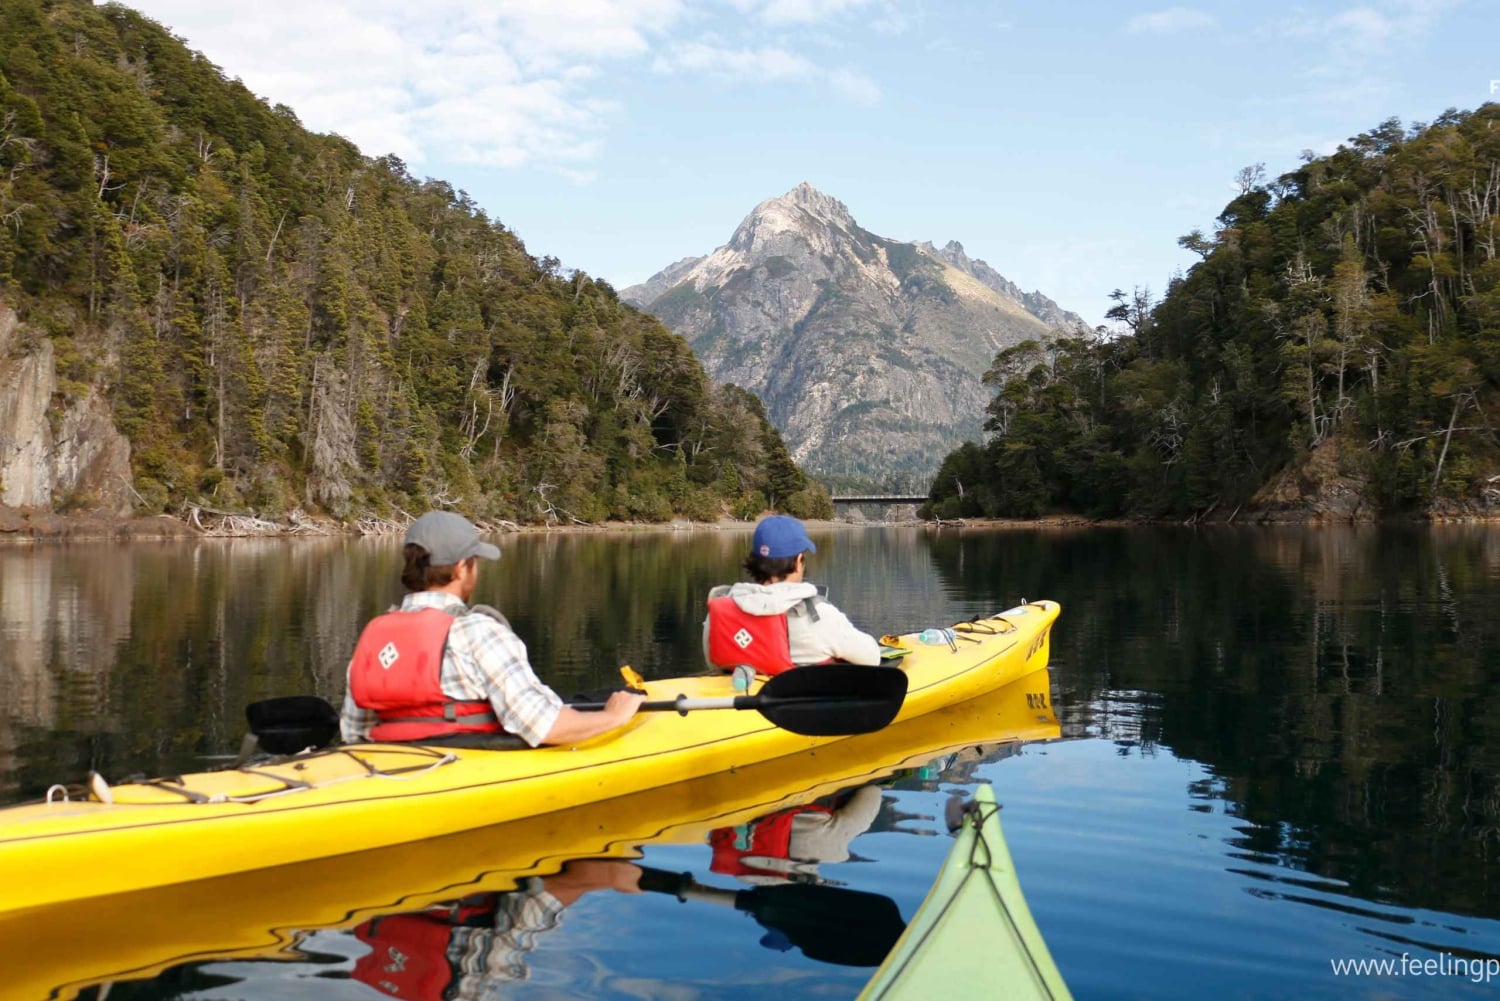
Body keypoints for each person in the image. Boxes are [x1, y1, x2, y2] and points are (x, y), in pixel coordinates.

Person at [341, 511, 644, 746]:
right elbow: (545, 726)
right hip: (464, 769)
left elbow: (354, 733)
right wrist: (612, 716)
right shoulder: (478, 632)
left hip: (389, 766)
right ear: (462, 568)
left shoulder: (376, 633)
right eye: (475, 562)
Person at [703, 514, 882, 673]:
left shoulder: (720, 613)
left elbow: (713, 663)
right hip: (800, 705)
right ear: (798, 562)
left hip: (743, 700)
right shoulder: (819, 615)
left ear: (755, 561)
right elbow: (872, 657)